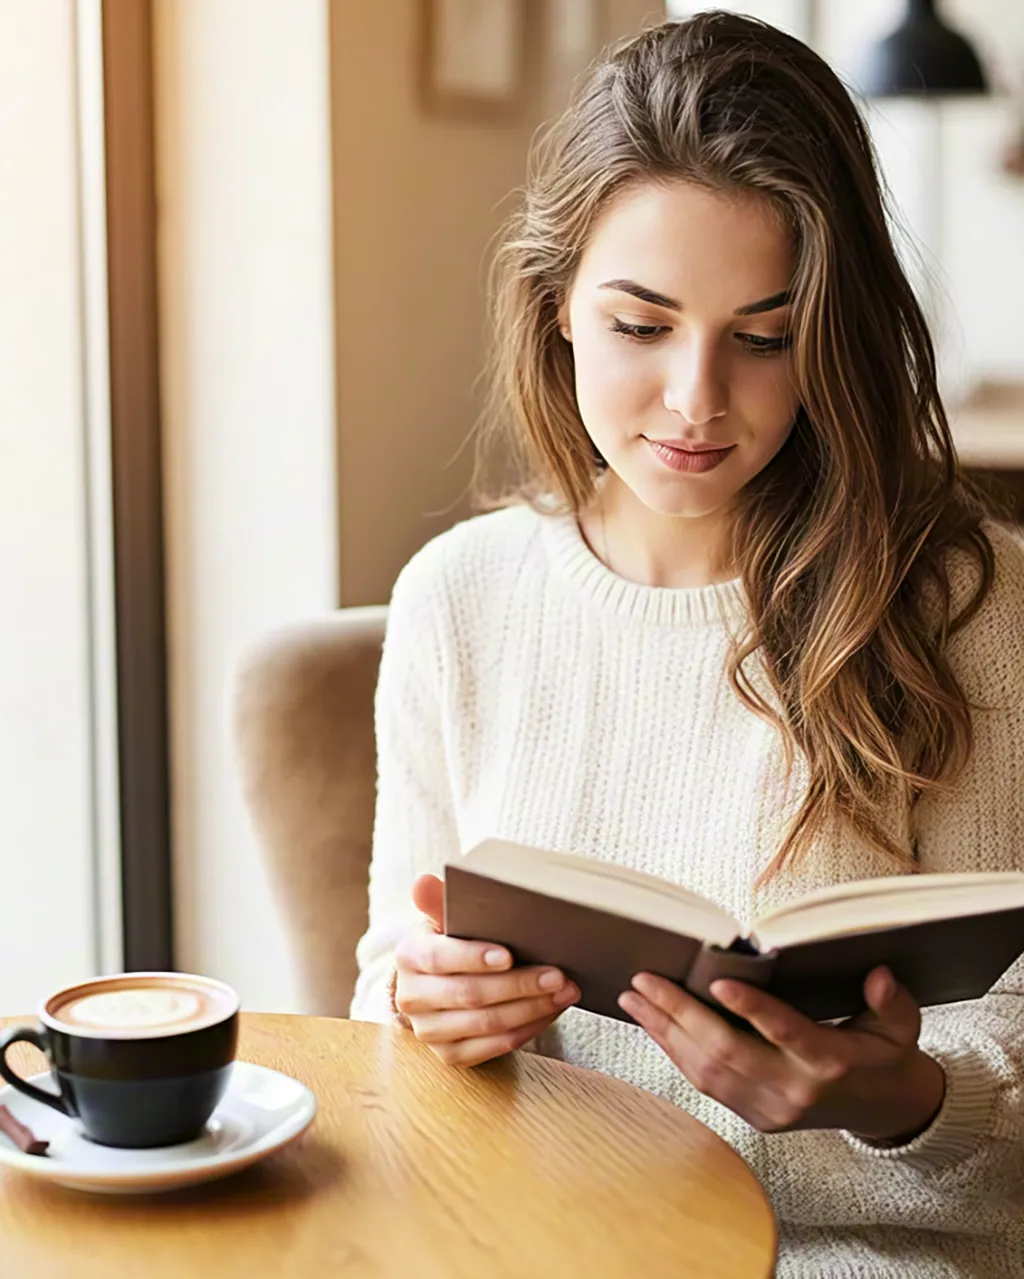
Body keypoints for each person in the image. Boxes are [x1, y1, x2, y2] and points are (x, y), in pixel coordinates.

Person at [350, 12, 1024, 1276]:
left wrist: (897, 1100)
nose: (697, 401)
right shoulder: (460, 599)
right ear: (555, 311)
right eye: (640, 326)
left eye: (765, 337)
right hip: (543, 1242)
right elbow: (391, 984)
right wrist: (422, 1000)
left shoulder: (962, 606)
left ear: (830, 332)